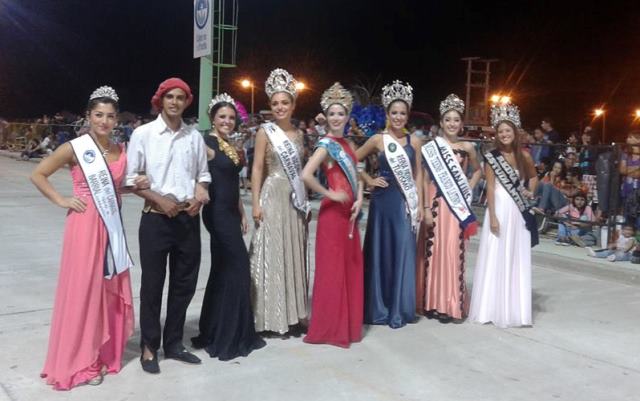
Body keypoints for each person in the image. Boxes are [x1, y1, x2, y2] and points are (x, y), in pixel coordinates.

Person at [33, 86, 143, 389]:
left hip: (111, 226)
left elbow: (115, 187)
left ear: (117, 119)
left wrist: (137, 185)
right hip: (83, 226)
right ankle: (80, 360)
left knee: (105, 290)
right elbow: (38, 174)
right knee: (84, 291)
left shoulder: (120, 149)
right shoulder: (75, 147)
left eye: (110, 116)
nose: (104, 121)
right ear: (88, 116)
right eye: (98, 115)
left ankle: (101, 351)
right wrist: (62, 200)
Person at [126, 78, 211, 374]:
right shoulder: (144, 134)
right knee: (152, 285)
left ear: (187, 102)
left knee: (184, 284)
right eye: (170, 97)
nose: (175, 102)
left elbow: (203, 174)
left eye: (180, 97)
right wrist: (159, 199)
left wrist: (201, 192)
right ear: (160, 100)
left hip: (187, 218)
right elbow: (130, 179)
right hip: (155, 219)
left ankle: (174, 343)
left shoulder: (194, 137)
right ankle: (149, 346)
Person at [190, 93, 266, 359]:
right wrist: (197, 192)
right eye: (222, 116)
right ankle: (230, 335)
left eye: (231, 118)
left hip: (231, 213)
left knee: (222, 270)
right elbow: (193, 173)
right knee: (239, 268)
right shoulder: (206, 144)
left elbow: (231, 183)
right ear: (212, 118)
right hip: (217, 214)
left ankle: (214, 328)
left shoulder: (228, 143)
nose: (227, 121)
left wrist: (241, 212)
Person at [356, 80, 423, 329]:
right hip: (383, 202)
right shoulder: (378, 139)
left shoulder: (415, 142)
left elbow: (418, 176)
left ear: (408, 115)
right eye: (394, 112)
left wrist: (421, 206)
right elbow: (352, 159)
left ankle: (400, 308)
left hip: (404, 202)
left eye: (402, 113)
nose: (398, 117)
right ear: (387, 113)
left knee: (403, 250)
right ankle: (379, 308)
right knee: (381, 251)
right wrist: (368, 179)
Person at [301, 83, 364, 347]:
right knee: (332, 270)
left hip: (350, 215)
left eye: (341, 113)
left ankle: (347, 324)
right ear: (326, 117)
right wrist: (329, 194)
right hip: (332, 217)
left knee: (349, 267)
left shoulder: (348, 143)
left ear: (348, 116)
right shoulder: (326, 146)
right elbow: (306, 175)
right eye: (332, 114)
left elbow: (357, 175)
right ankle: (329, 327)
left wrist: (359, 197)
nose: (337, 118)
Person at [249, 68, 309, 335]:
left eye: (285, 102)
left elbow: (302, 171)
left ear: (293, 105)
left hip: (293, 198)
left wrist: (304, 201)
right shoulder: (265, 132)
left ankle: (292, 315)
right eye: (275, 103)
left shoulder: (300, 134)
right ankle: (268, 318)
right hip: (272, 194)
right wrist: (255, 203)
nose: (280, 107)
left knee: (291, 252)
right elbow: (257, 169)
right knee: (271, 252)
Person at [469, 103, 538, 328]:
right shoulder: (492, 157)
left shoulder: (525, 156)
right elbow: (490, 187)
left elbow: (533, 177)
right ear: (496, 135)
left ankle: (513, 309)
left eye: (508, 130)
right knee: (495, 254)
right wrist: (493, 217)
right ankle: (490, 307)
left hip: (518, 211)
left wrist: (530, 191)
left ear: (515, 132)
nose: (504, 134)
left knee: (515, 255)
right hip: (498, 208)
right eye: (500, 131)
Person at [420, 94, 481, 323]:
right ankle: (433, 303)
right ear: (441, 122)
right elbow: (425, 179)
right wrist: (426, 208)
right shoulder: (432, 147)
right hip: (436, 204)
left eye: (456, 120)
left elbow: (478, 171)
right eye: (448, 119)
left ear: (461, 123)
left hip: (456, 207)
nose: (452, 124)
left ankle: (450, 304)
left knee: (452, 253)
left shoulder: (468, 147)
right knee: (435, 252)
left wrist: (468, 189)